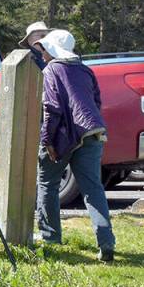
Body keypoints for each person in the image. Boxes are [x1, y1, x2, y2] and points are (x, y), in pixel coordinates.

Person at [34, 29, 115, 262]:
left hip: (63, 136)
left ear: (52, 49)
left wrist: (47, 140)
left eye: (44, 49)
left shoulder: (52, 69)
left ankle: (50, 238)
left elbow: (52, 107)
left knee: (47, 183)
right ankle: (106, 241)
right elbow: (96, 102)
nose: (42, 54)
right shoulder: (85, 69)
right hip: (92, 132)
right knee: (93, 189)